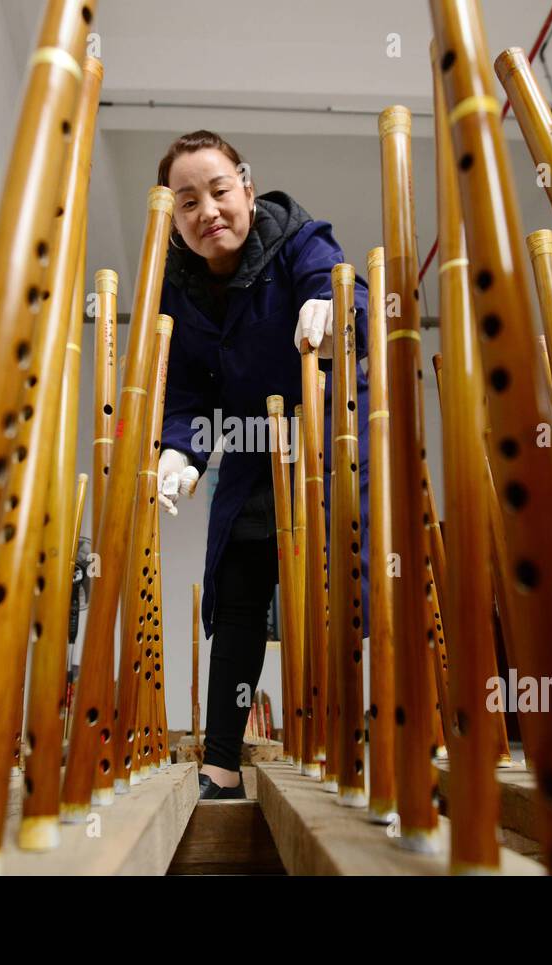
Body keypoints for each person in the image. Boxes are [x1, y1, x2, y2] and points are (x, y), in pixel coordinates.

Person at [154, 130, 372, 800]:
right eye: (187, 201)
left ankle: (356, 749)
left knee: (343, 589)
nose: (208, 210)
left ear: (245, 187)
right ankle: (220, 764)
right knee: (241, 592)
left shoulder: (298, 238)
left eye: (219, 190)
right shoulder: (178, 288)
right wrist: (179, 450)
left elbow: (343, 291)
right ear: (173, 218)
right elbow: (188, 391)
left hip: (326, 436)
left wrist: (336, 309)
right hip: (251, 448)